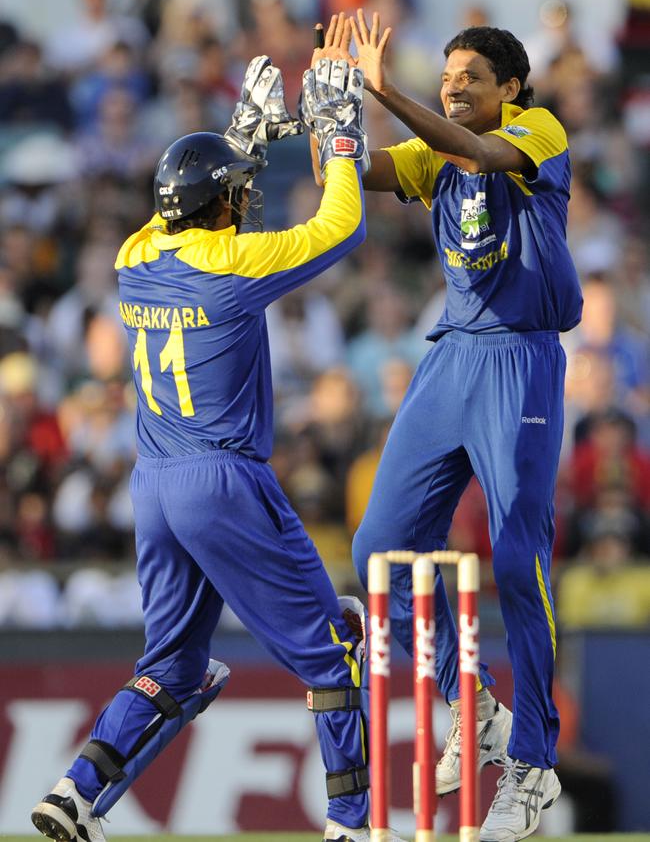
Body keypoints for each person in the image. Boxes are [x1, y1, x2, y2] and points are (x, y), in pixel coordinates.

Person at [31, 55, 404, 842]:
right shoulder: (233, 267)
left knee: (172, 666)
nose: (244, 202)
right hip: (223, 477)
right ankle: (351, 824)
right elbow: (343, 226)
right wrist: (338, 137)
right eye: (234, 193)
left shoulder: (135, 263)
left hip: (155, 483)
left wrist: (241, 138)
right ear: (216, 209)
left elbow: (180, 210)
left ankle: (75, 790)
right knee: (331, 649)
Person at [313, 12, 583, 842]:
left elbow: (487, 156)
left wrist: (382, 88)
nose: (455, 84)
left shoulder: (537, 129)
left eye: (472, 76)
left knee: (513, 554)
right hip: (450, 358)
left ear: (509, 87)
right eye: (447, 75)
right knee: (375, 549)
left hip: (519, 360)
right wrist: (330, 115)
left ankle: (533, 764)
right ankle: (473, 706)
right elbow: (354, 174)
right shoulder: (433, 150)